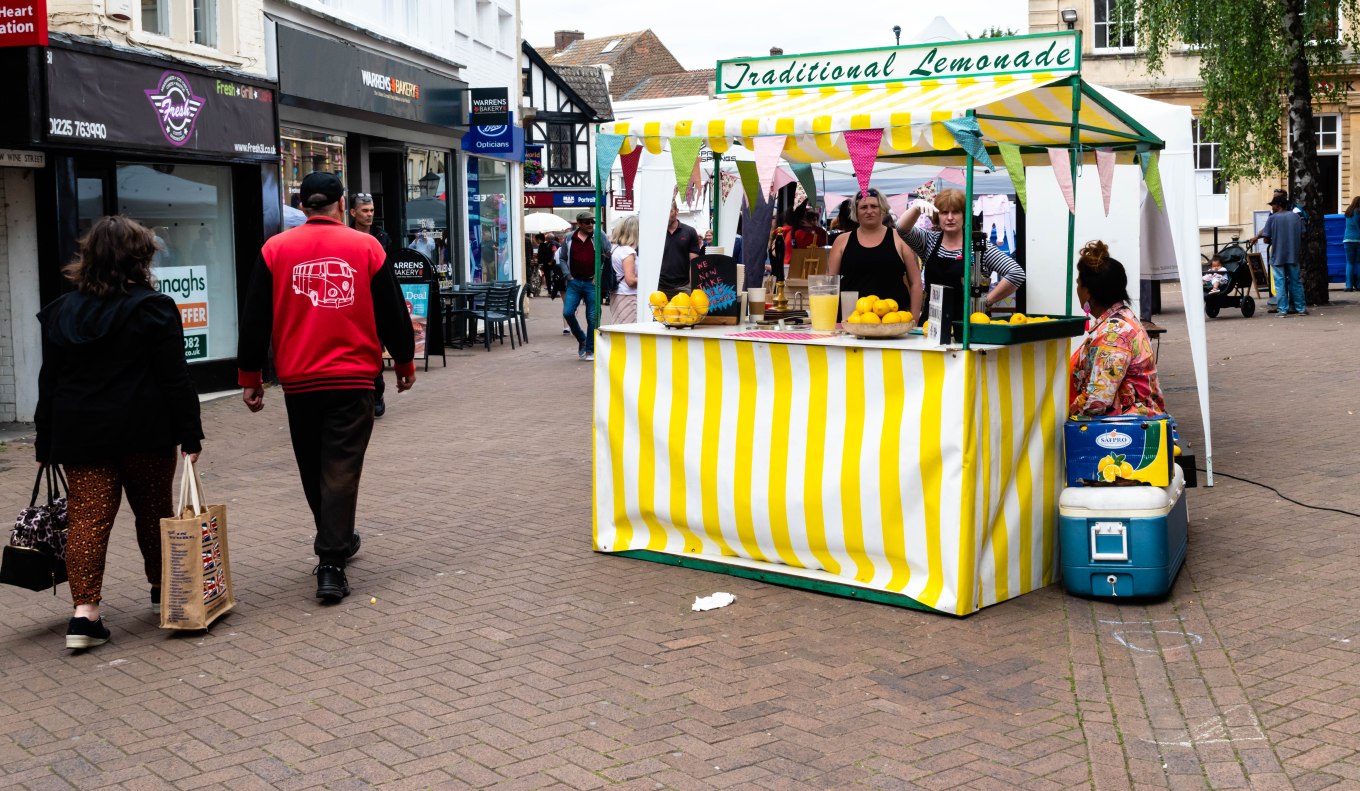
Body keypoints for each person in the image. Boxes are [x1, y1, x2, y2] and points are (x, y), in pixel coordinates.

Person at [238, 171, 416, 603]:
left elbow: (256, 315)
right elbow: (391, 309)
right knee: (341, 467)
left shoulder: (275, 250)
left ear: (303, 207)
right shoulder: (367, 247)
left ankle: (335, 541)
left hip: (299, 379)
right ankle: (332, 562)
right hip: (354, 377)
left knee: (312, 465)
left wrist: (250, 376)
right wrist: (404, 359)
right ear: (341, 206)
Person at [35, 215, 204, 650]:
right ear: (139, 258)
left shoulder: (61, 311)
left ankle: (84, 615)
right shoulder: (152, 307)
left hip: (80, 433)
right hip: (144, 429)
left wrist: (44, 438)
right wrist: (190, 434)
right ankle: (164, 593)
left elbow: (49, 380)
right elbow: (174, 378)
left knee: (88, 519)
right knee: (152, 513)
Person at [896, 188, 1026, 321]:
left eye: (956, 212)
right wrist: (916, 208)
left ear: (965, 215)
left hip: (971, 325)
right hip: (933, 324)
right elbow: (902, 229)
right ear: (937, 215)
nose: (950, 218)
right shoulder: (928, 241)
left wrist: (986, 301)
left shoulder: (979, 248)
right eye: (944, 212)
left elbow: (1017, 273)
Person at [1069, 240, 1167, 417]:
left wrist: (1063, 413)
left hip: (1123, 432)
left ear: (1088, 291)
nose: (1077, 289)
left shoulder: (1113, 334)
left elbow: (1097, 400)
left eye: (1078, 283)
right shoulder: (1122, 321)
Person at [827, 187, 922, 320]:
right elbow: (831, 284)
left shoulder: (900, 238)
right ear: (856, 212)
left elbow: (916, 283)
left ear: (882, 209)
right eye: (863, 207)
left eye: (874, 206)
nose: (869, 211)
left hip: (893, 319)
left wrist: (914, 319)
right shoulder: (842, 241)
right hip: (851, 319)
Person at [350, 192, 393, 417]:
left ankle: (377, 391)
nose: (369, 215)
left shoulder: (382, 237)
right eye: (365, 211)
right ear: (353, 212)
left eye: (372, 211)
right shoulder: (344, 235)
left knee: (374, 348)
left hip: (375, 301)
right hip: (350, 299)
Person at [556, 211, 612, 361]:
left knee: (593, 317)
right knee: (568, 312)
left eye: (592, 222)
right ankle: (582, 338)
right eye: (587, 222)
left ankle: (590, 350)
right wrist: (568, 275)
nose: (590, 225)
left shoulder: (599, 235)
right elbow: (561, 258)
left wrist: (599, 274)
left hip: (591, 283)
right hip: (574, 282)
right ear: (579, 223)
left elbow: (608, 255)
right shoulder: (569, 238)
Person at [1248, 193, 1307, 316]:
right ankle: (1301, 308)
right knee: (1296, 281)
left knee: (1280, 283)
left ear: (1278, 205)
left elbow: (1266, 238)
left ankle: (1282, 310)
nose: (1272, 207)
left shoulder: (1273, 218)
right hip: (1293, 254)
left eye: (1273, 205)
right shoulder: (1296, 217)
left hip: (1278, 255)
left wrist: (1271, 238)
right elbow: (1303, 234)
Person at [658, 202, 702, 296]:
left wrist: (693, 287)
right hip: (660, 286)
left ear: (677, 211)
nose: (666, 215)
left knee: (686, 311)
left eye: (670, 211)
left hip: (683, 286)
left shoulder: (689, 232)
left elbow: (693, 262)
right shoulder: (657, 232)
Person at [609, 216, 640, 324]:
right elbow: (630, 280)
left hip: (616, 294)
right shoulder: (627, 252)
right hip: (627, 296)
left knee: (618, 327)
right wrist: (646, 278)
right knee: (629, 331)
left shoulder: (615, 248)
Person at [1344, 196, 1360, 292]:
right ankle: (1359, 285)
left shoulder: (1348, 212)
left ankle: (1349, 286)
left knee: (1349, 263)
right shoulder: (1359, 212)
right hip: (1358, 240)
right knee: (1358, 263)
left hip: (1347, 240)